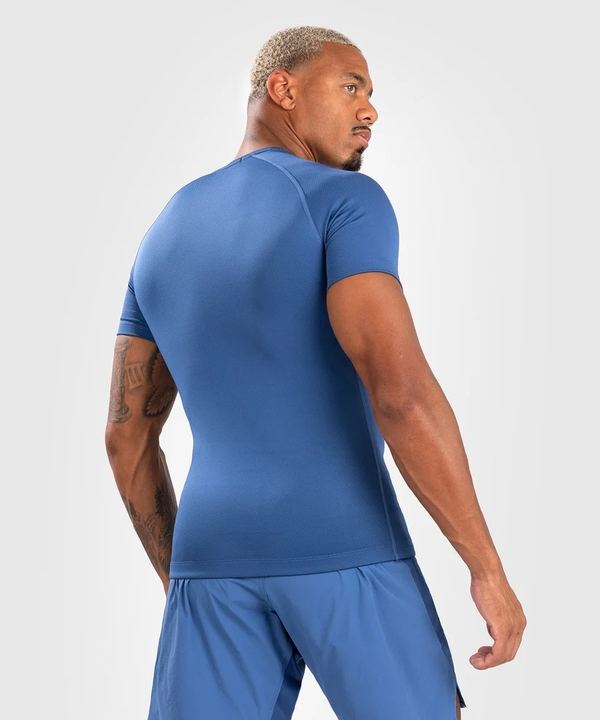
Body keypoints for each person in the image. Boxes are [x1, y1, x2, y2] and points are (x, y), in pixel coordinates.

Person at [105, 25, 526, 719]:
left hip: (210, 562)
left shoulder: (165, 230)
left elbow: (125, 437)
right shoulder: (345, 201)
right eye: (351, 85)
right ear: (283, 89)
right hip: (344, 545)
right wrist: (486, 568)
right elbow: (401, 396)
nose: (370, 110)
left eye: (372, 93)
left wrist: (183, 579)